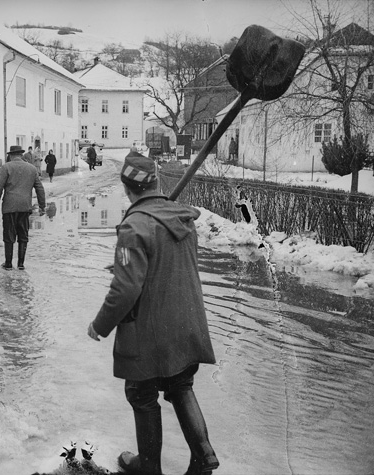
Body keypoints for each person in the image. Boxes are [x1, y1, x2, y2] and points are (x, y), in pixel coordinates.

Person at [87, 150, 219, 475]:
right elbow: (165, 262)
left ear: (127, 188)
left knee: (141, 393)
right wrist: (124, 264)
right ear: (156, 182)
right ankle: (203, 457)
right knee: (181, 385)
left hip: (150, 330)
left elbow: (126, 290)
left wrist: (99, 325)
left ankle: (148, 468)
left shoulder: (135, 226)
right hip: (186, 322)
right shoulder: (180, 218)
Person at [0, 145, 46, 270]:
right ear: (21, 155)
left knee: (9, 235)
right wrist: (42, 206)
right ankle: (21, 264)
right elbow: (39, 188)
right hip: (25, 207)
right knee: (23, 234)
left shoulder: (6, 167)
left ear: (10, 155)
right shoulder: (31, 168)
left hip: (9, 207)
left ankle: (8, 263)